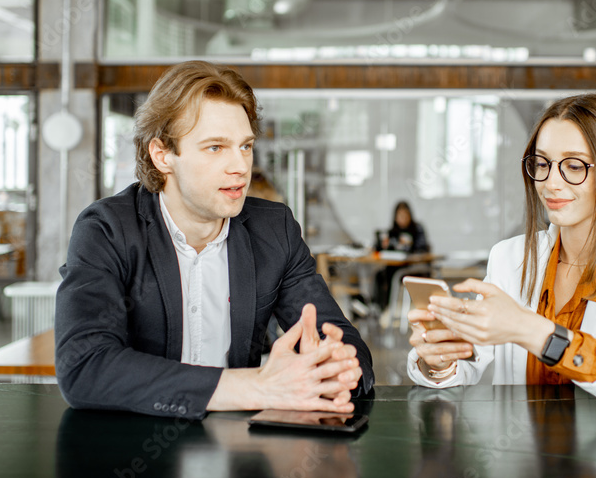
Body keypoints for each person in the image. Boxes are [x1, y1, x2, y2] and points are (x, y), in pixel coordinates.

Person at [55, 61, 374, 419]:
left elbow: (343, 342)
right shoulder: (108, 229)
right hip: (134, 455)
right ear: (162, 155)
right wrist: (255, 386)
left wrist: (337, 368)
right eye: (215, 148)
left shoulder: (274, 229)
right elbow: (84, 366)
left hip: (238, 452)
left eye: (245, 146)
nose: (240, 166)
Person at [406, 93, 596, 418]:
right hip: (522, 459)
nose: (551, 183)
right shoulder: (508, 256)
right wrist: (440, 361)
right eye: (543, 164)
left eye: (573, 165)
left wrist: (530, 330)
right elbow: (469, 364)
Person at [374, 201, 430, 309]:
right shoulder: (392, 232)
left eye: (405, 216)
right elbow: (378, 248)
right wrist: (383, 245)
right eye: (400, 216)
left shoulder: (417, 229)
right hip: (395, 267)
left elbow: (423, 249)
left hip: (413, 268)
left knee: (392, 274)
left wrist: (410, 246)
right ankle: (381, 309)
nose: (402, 219)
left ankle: (388, 309)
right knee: (380, 275)